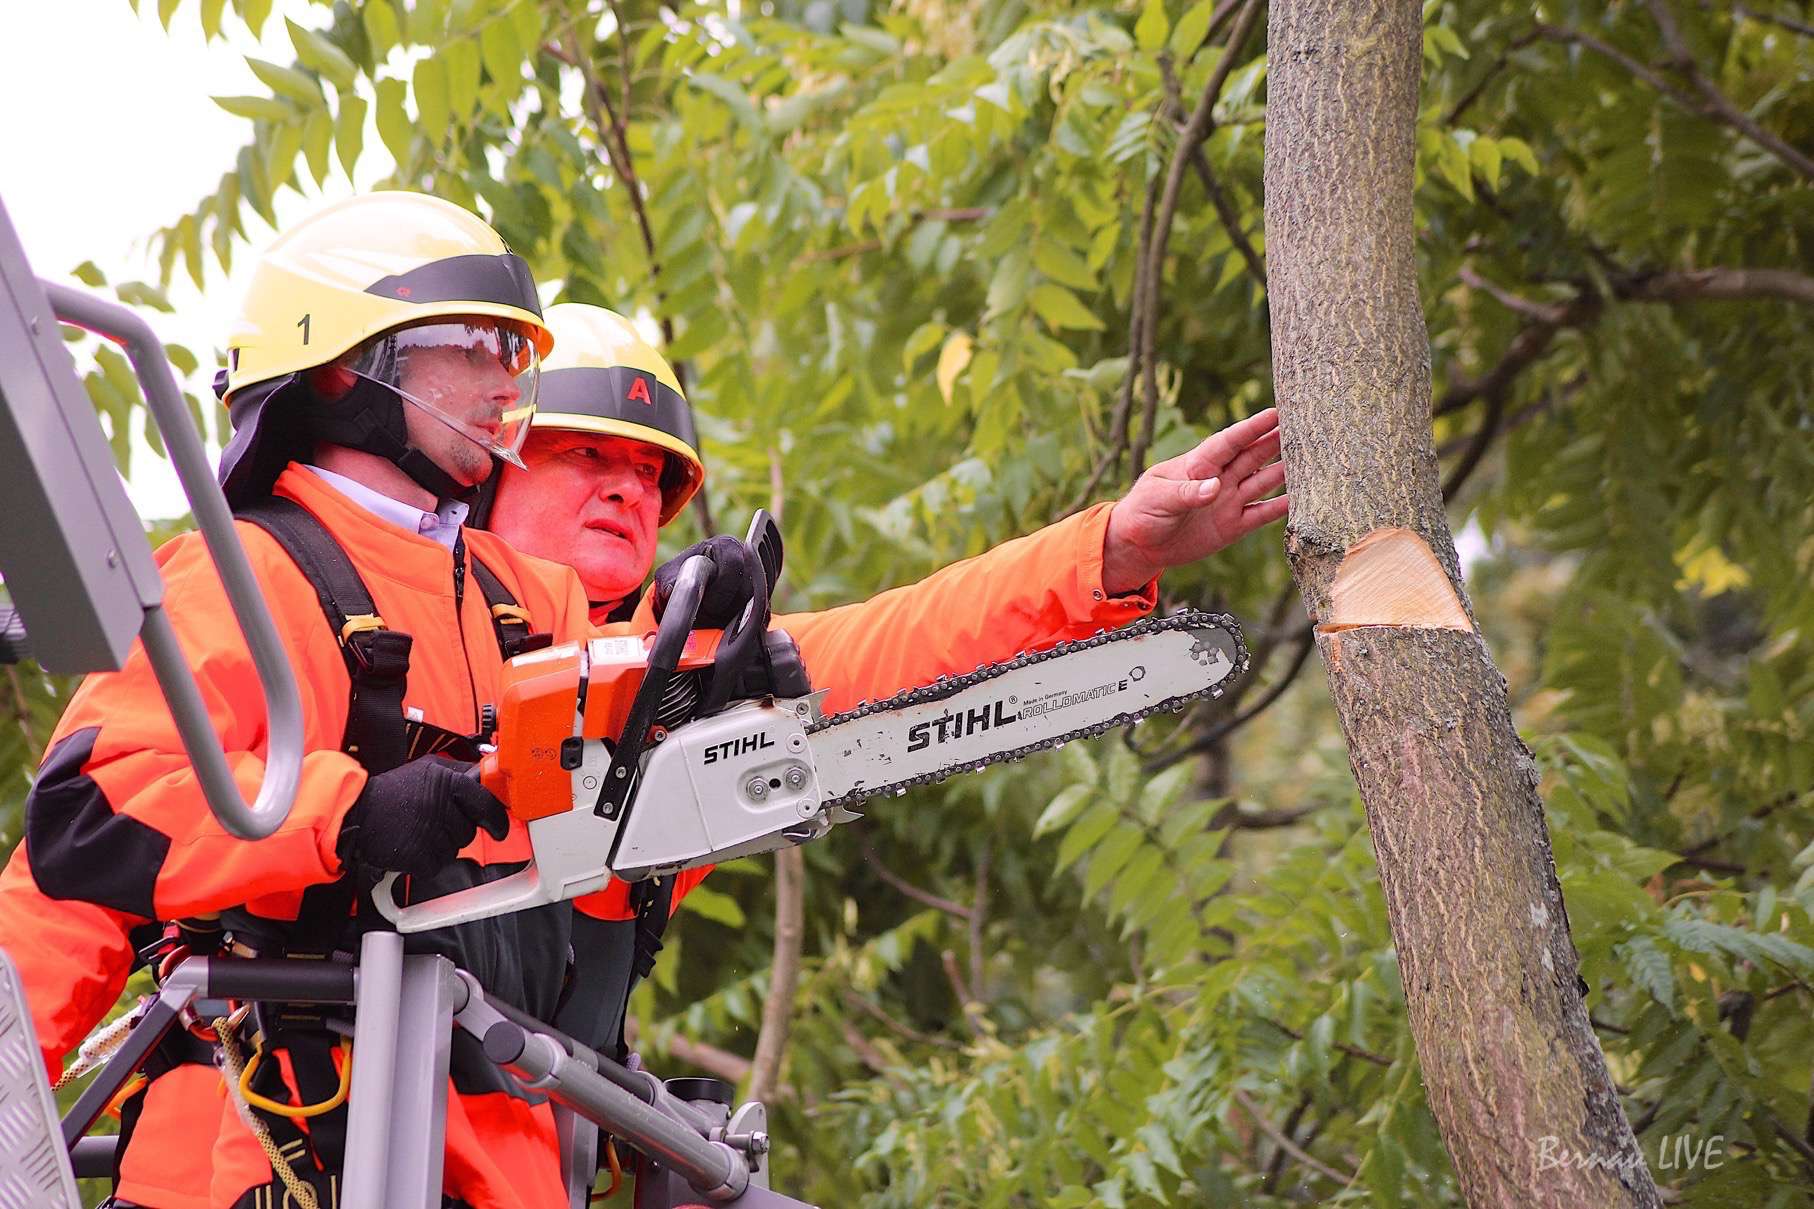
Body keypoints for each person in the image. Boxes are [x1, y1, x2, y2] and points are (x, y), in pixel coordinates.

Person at [0, 191, 597, 1209]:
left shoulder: (530, 602)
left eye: (515, 351)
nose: (507, 379)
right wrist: (351, 814)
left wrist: (709, 650)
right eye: (478, 345)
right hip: (265, 1155)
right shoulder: (240, 575)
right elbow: (97, 820)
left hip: (495, 1167)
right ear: (342, 369)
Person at [479, 303, 1289, 1052]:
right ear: (487, 466)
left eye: (653, 472)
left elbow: (906, 639)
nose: (629, 488)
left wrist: (1111, 551)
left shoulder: (682, 685)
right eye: (585, 452)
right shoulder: (392, 628)